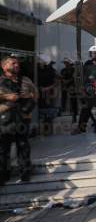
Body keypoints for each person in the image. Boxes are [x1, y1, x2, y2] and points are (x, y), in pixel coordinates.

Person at [0, 55, 37, 184]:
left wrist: (29, 99)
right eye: (13, 63)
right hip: (5, 120)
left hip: (23, 119)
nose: (16, 65)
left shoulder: (26, 80)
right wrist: (8, 97)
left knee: (23, 147)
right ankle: (3, 176)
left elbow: (35, 94)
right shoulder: (0, 80)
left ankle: (25, 174)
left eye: (17, 63)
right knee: (3, 149)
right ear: (4, 66)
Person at [37, 55, 58, 135]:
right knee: (41, 110)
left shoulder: (51, 71)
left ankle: (47, 130)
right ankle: (41, 129)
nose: (39, 63)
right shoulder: (38, 70)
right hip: (39, 93)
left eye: (40, 62)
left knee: (48, 111)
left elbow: (56, 83)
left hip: (48, 94)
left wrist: (47, 88)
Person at [60, 57, 78, 123]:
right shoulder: (63, 70)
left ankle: (74, 116)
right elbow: (61, 78)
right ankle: (63, 111)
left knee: (73, 102)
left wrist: (68, 81)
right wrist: (63, 81)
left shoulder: (74, 69)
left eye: (66, 62)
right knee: (64, 100)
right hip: (65, 87)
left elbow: (76, 77)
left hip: (72, 87)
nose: (65, 64)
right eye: (65, 63)